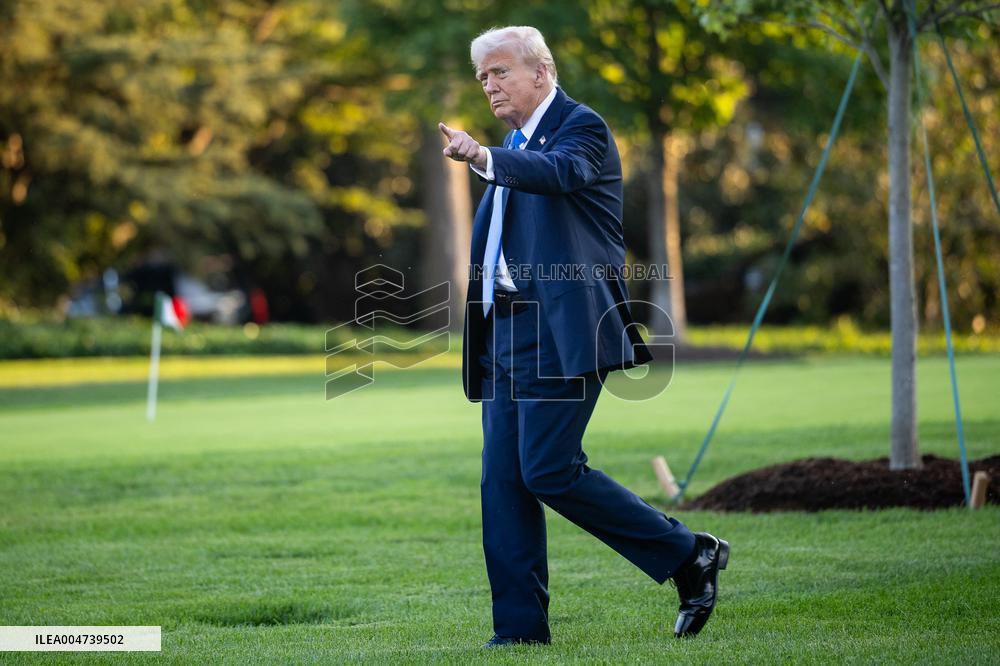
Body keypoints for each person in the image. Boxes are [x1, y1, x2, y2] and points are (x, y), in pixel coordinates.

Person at [440, 25, 728, 648]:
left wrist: (483, 158)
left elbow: (558, 174)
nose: (489, 84)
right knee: (503, 482)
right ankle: (518, 632)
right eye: (482, 76)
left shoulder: (581, 128)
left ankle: (688, 553)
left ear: (541, 71)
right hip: (504, 334)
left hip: (560, 330)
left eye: (500, 72)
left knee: (548, 469)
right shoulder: (514, 143)